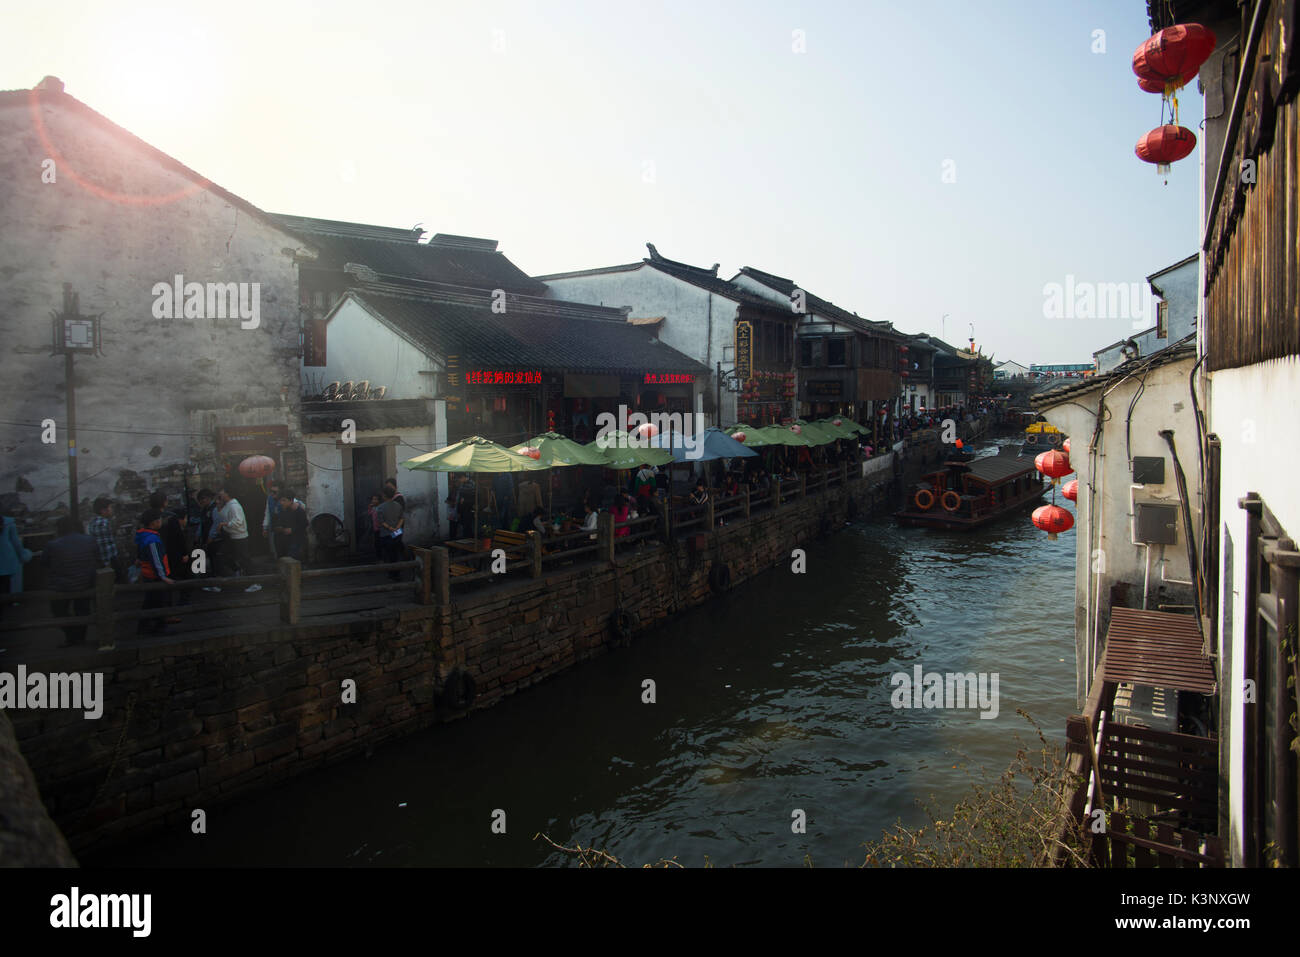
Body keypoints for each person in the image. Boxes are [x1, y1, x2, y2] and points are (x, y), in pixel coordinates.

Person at [44, 516, 98, 646]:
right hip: (85, 583)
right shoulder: (90, 540)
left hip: (61, 585)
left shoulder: (52, 545)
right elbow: (97, 558)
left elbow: (45, 563)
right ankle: (80, 637)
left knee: (59, 611)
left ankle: (71, 635)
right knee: (83, 611)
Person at [134, 509, 174, 636]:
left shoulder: (143, 535)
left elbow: (141, 553)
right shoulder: (152, 539)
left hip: (148, 574)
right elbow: (156, 559)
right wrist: (162, 576)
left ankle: (144, 626)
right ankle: (160, 626)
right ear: (154, 523)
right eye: (160, 520)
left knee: (150, 601)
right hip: (154, 576)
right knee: (158, 601)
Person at [213, 489, 259, 592]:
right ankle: (237, 572)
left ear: (227, 494)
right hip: (232, 535)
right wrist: (219, 504)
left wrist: (225, 524)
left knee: (245, 559)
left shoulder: (234, 506)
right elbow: (222, 514)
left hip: (240, 536)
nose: (221, 495)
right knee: (226, 555)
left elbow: (238, 521)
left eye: (222, 493)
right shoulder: (228, 504)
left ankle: (254, 582)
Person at [149, 491, 188, 614]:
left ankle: (164, 610)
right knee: (177, 579)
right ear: (165, 502)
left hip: (155, 553)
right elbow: (179, 536)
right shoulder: (171, 517)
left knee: (160, 582)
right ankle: (176, 607)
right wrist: (184, 553)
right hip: (172, 553)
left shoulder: (147, 517)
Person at [0, 513, 32, 621]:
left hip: (5, 562)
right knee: (5, 591)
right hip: (5, 562)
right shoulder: (8, 522)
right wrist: (25, 555)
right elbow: (16, 544)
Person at [88, 496, 123, 582]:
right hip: (108, 561)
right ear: (103, 510)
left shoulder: (94, 522)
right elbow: (107, 547)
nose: (112, 510)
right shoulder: (103, 523)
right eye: (110, 507)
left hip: (101, 561)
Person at [376, 486, 405, 580]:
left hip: (386, 533)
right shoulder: (398, 505)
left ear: (384, 495)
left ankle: (391, 573)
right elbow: (402, 518)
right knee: (396, 552)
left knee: (388, 554)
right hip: (397, 532)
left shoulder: (380, 507)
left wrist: (390, 528)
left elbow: (381, 521)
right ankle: (397, 572)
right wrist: (397, 527)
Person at [273, 490, 309, 561]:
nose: (281, 503)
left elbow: (304, 524)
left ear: (291, 500)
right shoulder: (283, 511)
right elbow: (278, 523)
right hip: (284, 542)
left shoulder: (299, 511)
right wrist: (280, 528)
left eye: (284, 500)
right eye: (281, 500)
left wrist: (292, 530)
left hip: (295, 542)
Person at [261, 479, 283, 558]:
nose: (272, 494)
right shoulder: (270, 499)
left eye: (275, 492)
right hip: (273, 528)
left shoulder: (285, 499)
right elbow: (267, 513)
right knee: (275, 550)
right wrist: (265, 527)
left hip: (284, 529)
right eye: (271, 491)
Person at [366, 493, 382, 559]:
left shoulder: (380, 507)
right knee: (376, 543)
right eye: (373, 499)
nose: (374, 501)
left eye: (375, 499)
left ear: (379, 500)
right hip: (375, 528)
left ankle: (381, 557)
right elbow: (369, 513)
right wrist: (369, 507)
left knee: (381, 543)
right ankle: (378, 556)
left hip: (381, 528)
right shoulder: (373, 508)